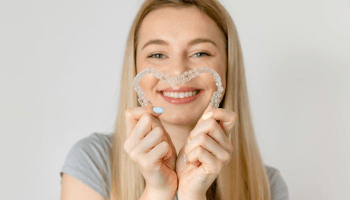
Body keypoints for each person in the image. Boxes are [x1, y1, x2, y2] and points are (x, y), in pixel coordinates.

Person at [60, 0, 290, 200]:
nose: (178, 72)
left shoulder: (267, 186)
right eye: (157, 55)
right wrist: (158, 192)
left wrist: (193, 195)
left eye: (200, 53)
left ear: (228, 67)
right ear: (135, 67)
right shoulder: (93, 162)